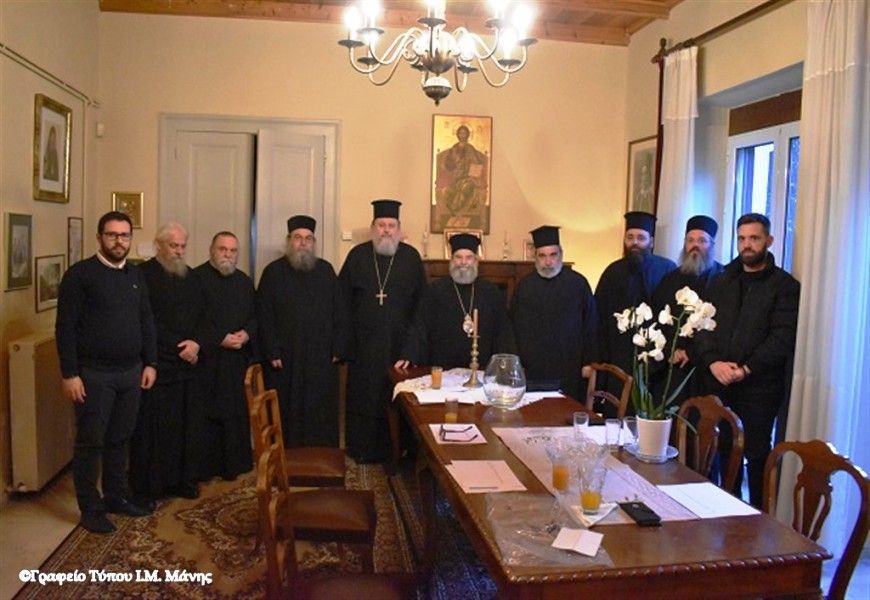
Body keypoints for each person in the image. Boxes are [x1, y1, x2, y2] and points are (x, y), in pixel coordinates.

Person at [55, 211, 157, 533]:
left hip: (131, 372)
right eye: (112, 235)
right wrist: (70, 374)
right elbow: (65, 328)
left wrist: (151, 362)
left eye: (124, 235)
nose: (119, 241)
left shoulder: (135, 274)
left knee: (120, 439)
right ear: (99, 237)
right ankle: (91, 509)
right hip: (93, 375)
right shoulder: (79, 275)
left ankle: (116, 497)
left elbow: (146, 319)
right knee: (91, 443)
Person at [692, 213, 799, 508]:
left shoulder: (785, 286)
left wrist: (746, 369)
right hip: (720, 382)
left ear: (769, 241)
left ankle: (759, 521)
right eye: (742, 238)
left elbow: (781, 338)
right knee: (724, 454)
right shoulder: (720, 280)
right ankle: (727, 515)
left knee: (756, 455)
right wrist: (713, 362)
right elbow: (701, 326)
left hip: (759, 388)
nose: (747, 245)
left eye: (754, 238)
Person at [339, 200, 426, 463]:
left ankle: (398, 452)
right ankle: (362, 450)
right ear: (373, 227)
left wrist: (411, 350)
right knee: (363, 397)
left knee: (395, 398)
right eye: (381, 225)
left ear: (399, 229)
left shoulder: (411, 258)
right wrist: (346, 345)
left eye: (391, 225)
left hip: (399, 349)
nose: (386, 230)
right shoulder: (357, 256)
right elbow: (341, 303)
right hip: (363, 347)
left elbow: (421, 309)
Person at [257, 215, 348, 448]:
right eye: (298, 237)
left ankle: (320, 455)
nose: (303, 243)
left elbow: (340, 312)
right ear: (289, 240)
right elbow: (264, 315)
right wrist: (271, 350)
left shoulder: (326, 271)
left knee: (319, 408)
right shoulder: (273, 273)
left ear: (313, 242)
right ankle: (285, 455)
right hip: (285, 359)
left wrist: (338, 347)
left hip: (321, 358)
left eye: (308, 238)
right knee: (286, 408)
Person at [131, 222, 207, 502]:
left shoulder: (192, 277)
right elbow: (145, 320)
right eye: (173, 245)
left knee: (188, 427)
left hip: (189, 365)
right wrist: (178, 348)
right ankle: (153, 486)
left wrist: (196, 342)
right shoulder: (142, 275)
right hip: (159, 365)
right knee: (157, 429)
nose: (179, 251)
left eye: (183, 246)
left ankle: (184, 480)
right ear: (158, 245)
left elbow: (205, 315)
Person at [595, 211, 675, 412]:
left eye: (641, 237)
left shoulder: (667, 269)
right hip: (619, 358)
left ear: (651, 241)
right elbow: (599, 318)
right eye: (630, 237)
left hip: (656, 362)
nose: (635, 243)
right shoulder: (612, 272)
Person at [396, 233, 512, 369]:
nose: (463, 262)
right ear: (451, 260)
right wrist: (409, 354)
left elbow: (503, 331)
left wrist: (507, 362)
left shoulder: (491, 292)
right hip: (443, 368)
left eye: (469, 257)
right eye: (458, 257)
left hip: (481, 369)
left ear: (476, 261)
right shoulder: (435, 291)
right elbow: (420, 327)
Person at [195, 231, 256, 480]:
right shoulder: (196, 279)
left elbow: (256, 316)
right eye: (223, 249)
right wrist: (219, 337)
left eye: (232, 251)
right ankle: (207, 468)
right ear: (212, 250)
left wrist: (246, 334)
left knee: (235, 412)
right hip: (207, 361)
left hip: (235, 362)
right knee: (207, 414)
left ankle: (235, 464)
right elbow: (193, 318)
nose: (228, 255)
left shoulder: (244, 282)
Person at [510, 225, 597, 399]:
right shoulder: (524, 286)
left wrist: (589, 362)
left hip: (570, 368)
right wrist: (516, 363)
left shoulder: (578, 284)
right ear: (535, 257)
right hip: (533, 369)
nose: (548, 262)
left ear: (561, 255)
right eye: (542, 256)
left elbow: (591, 324)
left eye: (553, 255)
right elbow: (512, 327)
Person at [650, 215, 724, 400]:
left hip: (705, 367)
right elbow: (657, 319)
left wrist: (691, 353)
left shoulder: (724, 278)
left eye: (702, 240)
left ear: (712, 245)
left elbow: (723, 324)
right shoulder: (670, 279)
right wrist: (670, 351)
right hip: (672, 365)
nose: (695, 245)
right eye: (690, 240)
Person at [434, 124, 489, 230]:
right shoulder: (454, 149)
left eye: (464, 133)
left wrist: (471, 171)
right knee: (451, 189)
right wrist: (453, 165)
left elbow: (476, 163)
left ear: (468, 135)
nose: (462, 135)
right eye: (460, 133)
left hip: (469, 177)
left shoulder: (471, 149)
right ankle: (455, 213)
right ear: (457, 134)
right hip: (454, 177)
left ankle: (459, 213)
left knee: (465, 187)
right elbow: (448, 164)